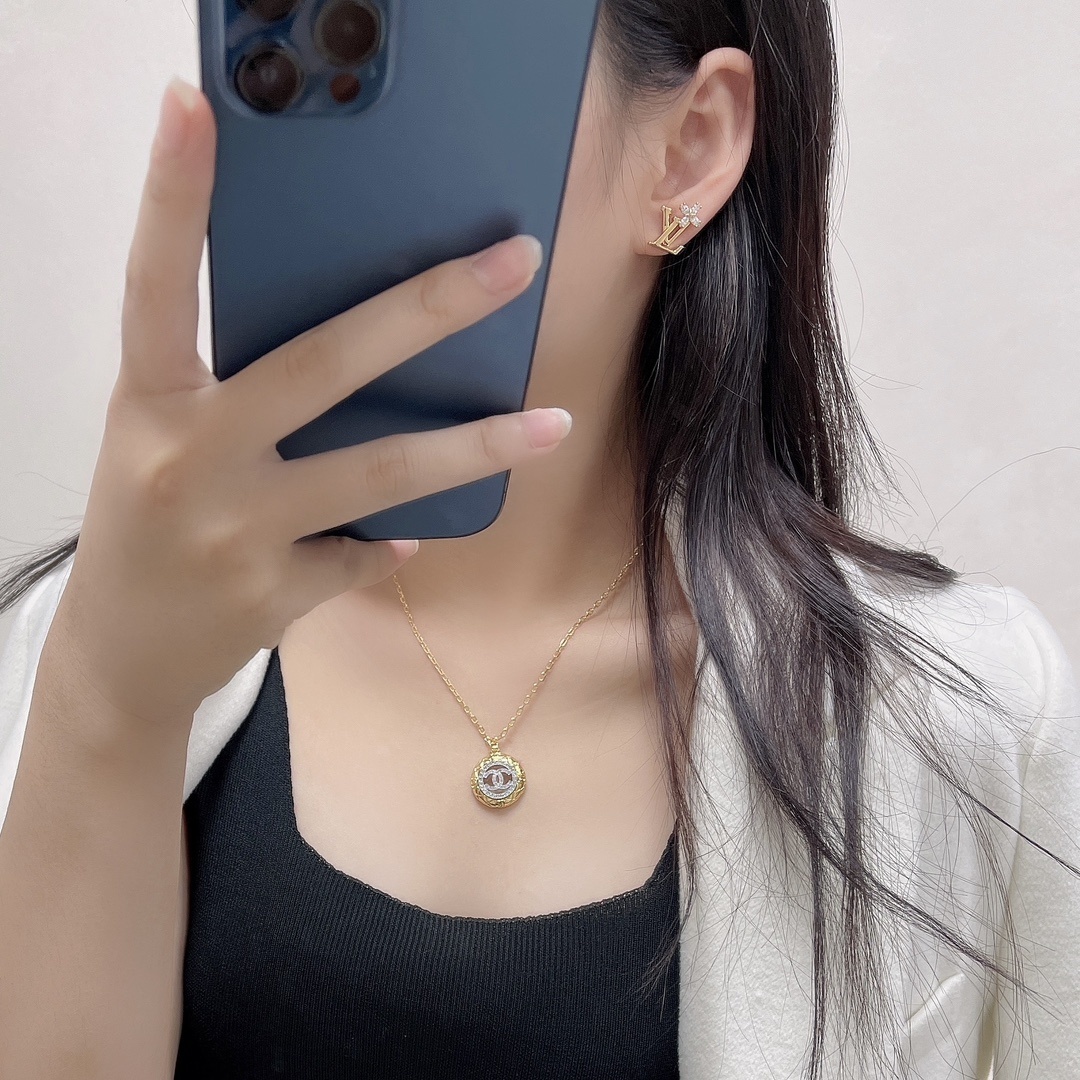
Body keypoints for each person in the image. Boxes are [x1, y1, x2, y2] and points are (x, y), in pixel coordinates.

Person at [0, 1, 1077, 1077]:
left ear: (689, 147)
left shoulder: (967, 719)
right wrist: (107, 700)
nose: (358, 141)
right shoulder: (70, 655)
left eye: (445, 41)